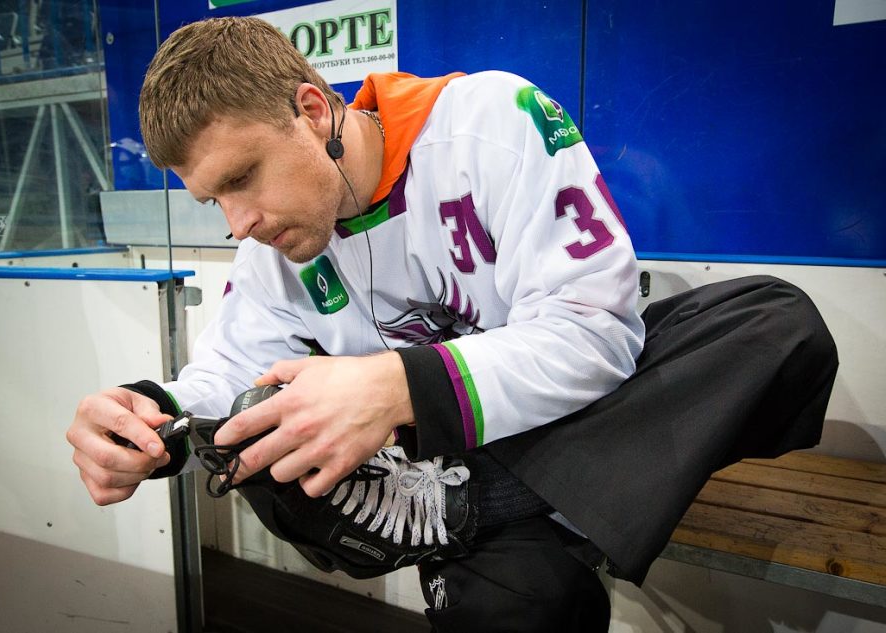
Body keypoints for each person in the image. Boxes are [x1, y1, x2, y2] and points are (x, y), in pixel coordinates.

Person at [66, 16, 838, 632]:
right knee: (519, 602)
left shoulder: (490, 119)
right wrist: (149, 412)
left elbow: (598, 332)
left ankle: (481, 506)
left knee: (775, 323)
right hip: (440, 471)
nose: (237, 222)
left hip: (536, 440)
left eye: (241, 179)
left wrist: (400, 385)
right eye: (213, 200)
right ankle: (488, 508)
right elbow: (227, 370)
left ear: (310, 110)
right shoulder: (275, 247)